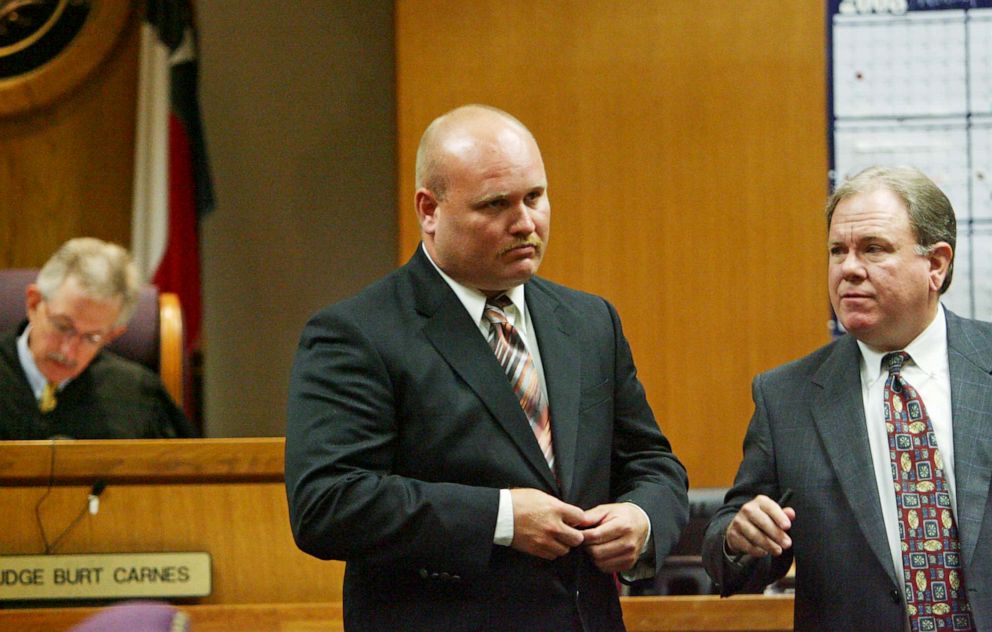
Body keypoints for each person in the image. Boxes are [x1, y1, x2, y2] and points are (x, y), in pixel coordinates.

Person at [285, 104, 689, 631]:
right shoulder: (358, 333)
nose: (525, 223)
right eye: (496, 204)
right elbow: (327, 502)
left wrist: (643, 518)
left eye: (535, 197)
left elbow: (653, 464)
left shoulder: (590, 322)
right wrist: (500, 519)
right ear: (429, 210)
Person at [702, 166, 991, 630]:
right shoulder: (786, 398)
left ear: (936, 264)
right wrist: (739, 538)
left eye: (873, 249)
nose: (848, 268)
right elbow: (729, 552)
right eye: (838, 251)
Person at [0, 238, 195, 439]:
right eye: (62, 326)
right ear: (34, 303)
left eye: (91, 337)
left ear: (112, 334)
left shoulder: (138, 395)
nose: (68, 351)